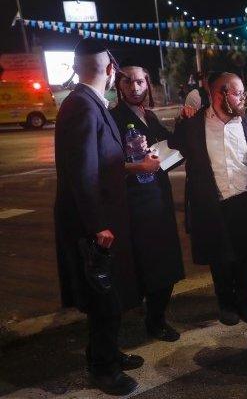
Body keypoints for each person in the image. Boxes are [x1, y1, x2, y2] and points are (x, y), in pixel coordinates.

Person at [54, 39, 144, 395]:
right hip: (93, 226)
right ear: (109, 70)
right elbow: (82, 173)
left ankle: (106, 351)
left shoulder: (88, 103)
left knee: (108, 294)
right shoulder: (82, 106)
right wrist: (97, 226)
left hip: (102, 220)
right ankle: (103, 369)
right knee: (104, 299)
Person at [169, 72, 247, 327]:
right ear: (220, 93)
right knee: (219, 258)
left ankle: (246, 303)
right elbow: (173, 148)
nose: (243, 98)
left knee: (246, 256)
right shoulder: (194, 126)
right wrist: (180, 118)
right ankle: (226, 304)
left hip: (245, 201)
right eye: (238, 93)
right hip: (212, 203)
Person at [111, 61, 185, 342]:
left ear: (148, 84)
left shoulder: (150, 117)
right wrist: (137, 167)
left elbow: (172, 149)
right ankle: (145, 320)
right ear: (119, 85)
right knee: (143, 266)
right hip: (134, 206)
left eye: (140, 81)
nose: (134, 86)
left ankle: (157, 319)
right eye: (128, 81)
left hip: (159, 204)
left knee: (164, 265)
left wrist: (183, 124)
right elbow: (107, 164)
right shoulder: (112, 118)